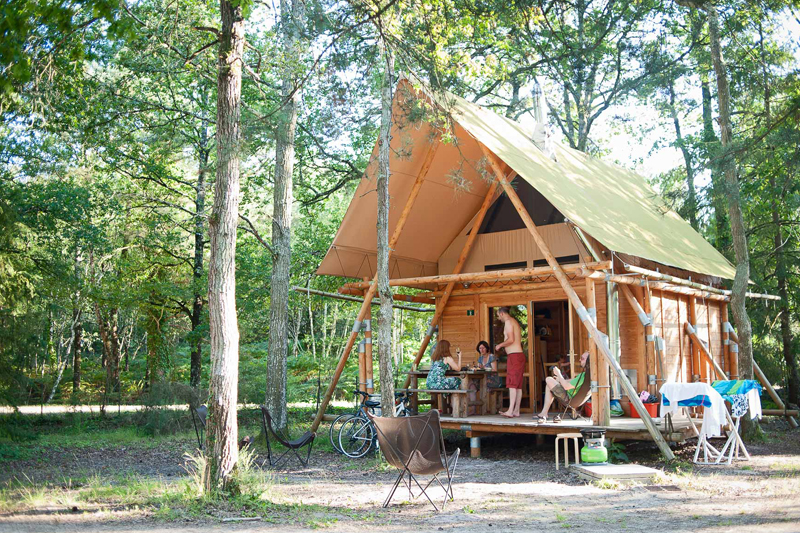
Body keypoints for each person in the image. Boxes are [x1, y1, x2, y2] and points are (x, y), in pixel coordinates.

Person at [534, 350, 590, 422]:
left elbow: (566, 386)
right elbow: (570, 382)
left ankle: (544, 413)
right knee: (549, 385)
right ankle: (544, 413)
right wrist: (559, 379)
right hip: (575, 399)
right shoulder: (587, 376)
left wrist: (558, 373)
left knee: (548, 379)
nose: (579, 360)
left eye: (582, 358)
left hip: (569, 399)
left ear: (588, 361)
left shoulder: (583, 376)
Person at [495, 307, 525, 418]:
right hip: (519, 355)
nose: (498, 318)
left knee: (512, 384)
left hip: (514, 356)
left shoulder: (508, 322)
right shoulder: (514, 321)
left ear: (502, 313)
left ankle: (510, 410)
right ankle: (516, 410)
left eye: (498, 315)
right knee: (518, 385)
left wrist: (500, 345)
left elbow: (511, 339)